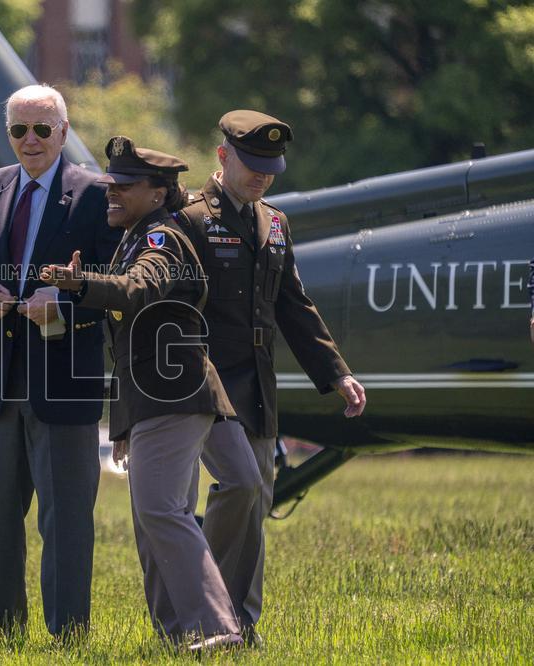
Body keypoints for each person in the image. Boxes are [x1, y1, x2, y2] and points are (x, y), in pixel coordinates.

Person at [41, 136, 243, 652]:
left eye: (125, 187)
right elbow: (131, 341)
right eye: (111, 184)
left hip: (171, 397)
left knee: (160, 511)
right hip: (162, 395)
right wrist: (125, 421)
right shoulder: (138, 233)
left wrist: (80, 283)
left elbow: (138, 291)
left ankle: (216, 630)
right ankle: (180, 635)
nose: (112, 193)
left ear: (158, 193)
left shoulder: (161, 239)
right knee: (152, 515)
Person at [174, 110, 367, 646]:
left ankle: (240, 624)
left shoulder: (275, 223)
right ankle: (203, 611)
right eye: (252, 165)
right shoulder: (189, 218)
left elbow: (293, 305)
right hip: (203, 380)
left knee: (257, 495)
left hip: (257, 382)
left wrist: (336, 374)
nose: (262, 176)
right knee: (237, 488)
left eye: (270, 167)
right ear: (222, 157)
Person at [0, 84, 121, 639]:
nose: (31, 139)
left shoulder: (94, 194)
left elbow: (118, 284)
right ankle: (1, 634)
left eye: (43, 129)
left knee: (65, 521)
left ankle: (67, 635)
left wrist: (63, 302)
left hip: (66, 384)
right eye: (20, 129)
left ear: (64, 132)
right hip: (0, 384)